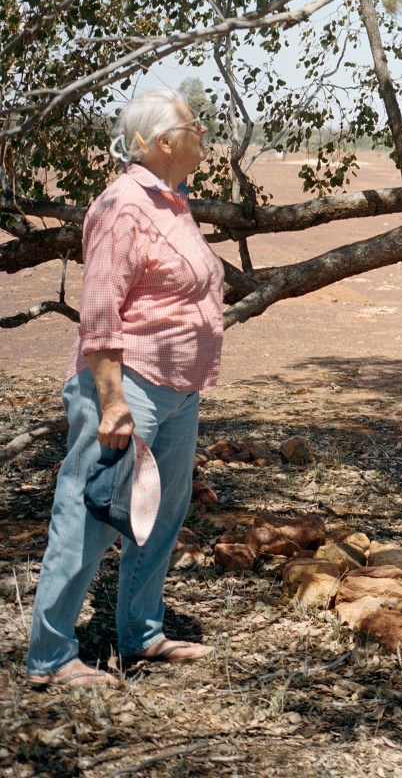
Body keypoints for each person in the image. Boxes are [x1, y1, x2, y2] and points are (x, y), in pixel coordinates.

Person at [27, 90, 222, 689]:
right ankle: (51, 656)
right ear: (164, 141)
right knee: (87, 517)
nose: (204, 135)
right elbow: (100, 311)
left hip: (177, 388)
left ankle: (140, 634)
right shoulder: (123, 204)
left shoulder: (172, 202)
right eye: (196, 126)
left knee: (161, 515)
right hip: (125, 385)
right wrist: (111, 401)